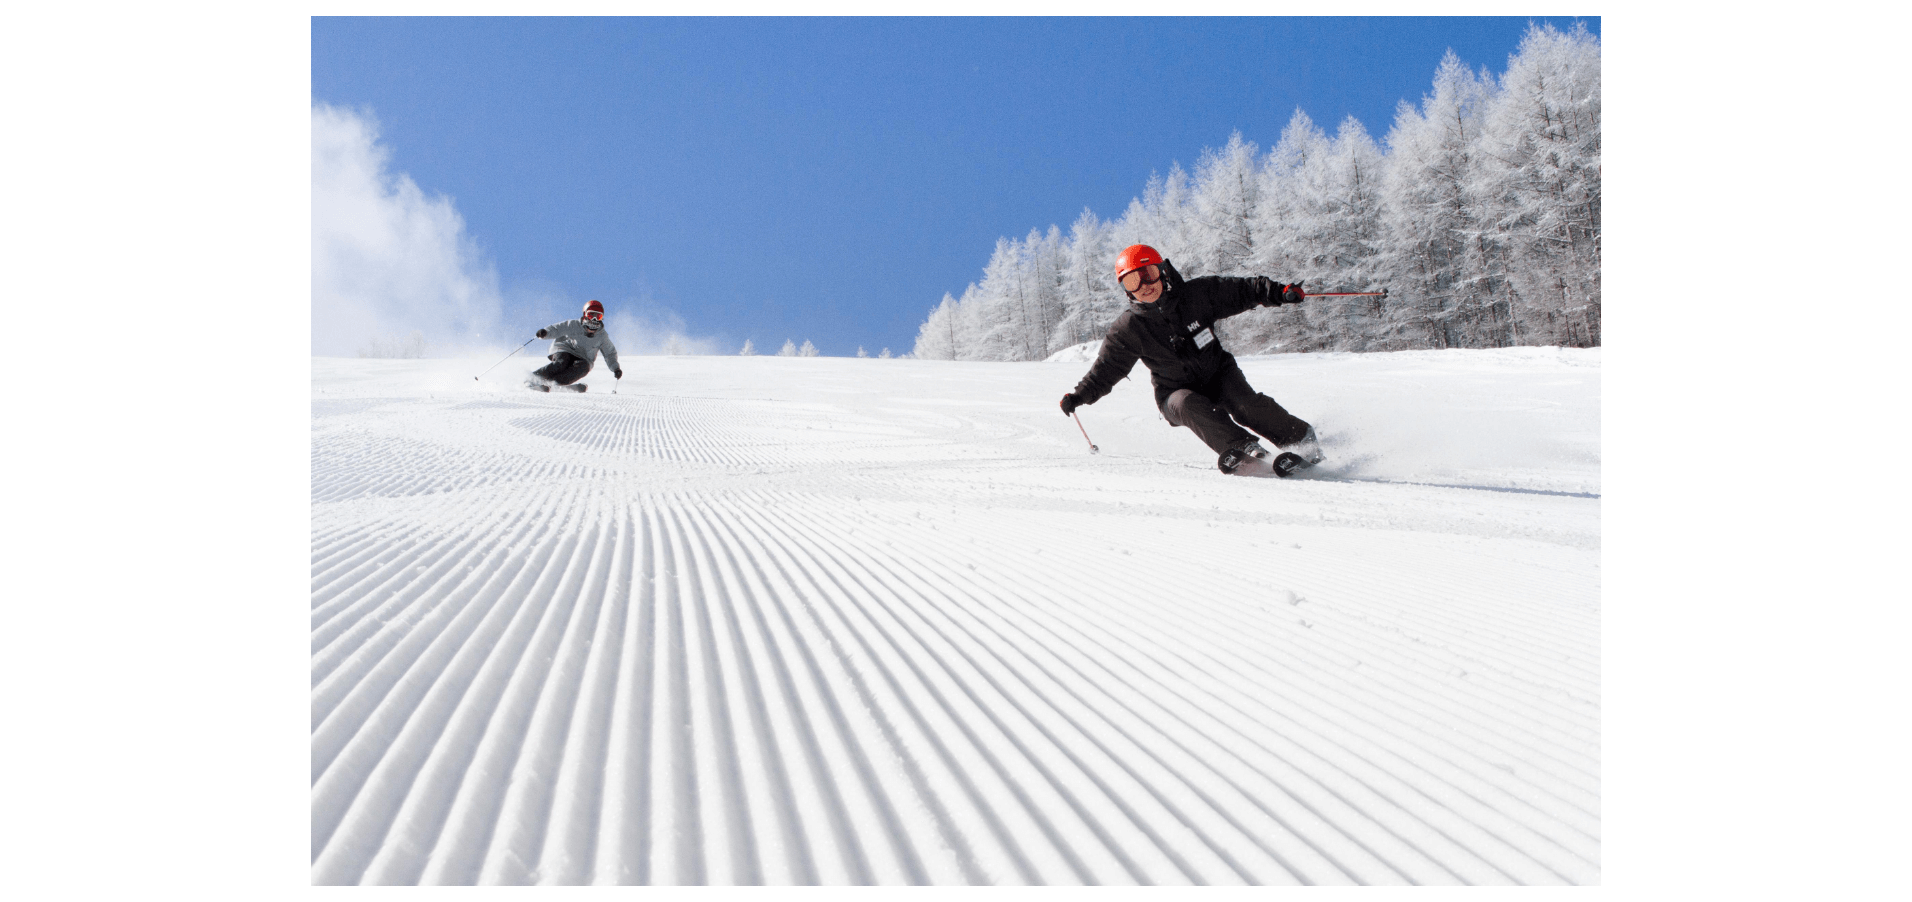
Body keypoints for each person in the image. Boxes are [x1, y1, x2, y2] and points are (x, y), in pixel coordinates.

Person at [1060, 245, 1323, 475]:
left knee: (1244, 405)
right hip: (1173, 393)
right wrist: (1079, 396)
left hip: (1219, 373)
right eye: (1132, 282)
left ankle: (1301, 439)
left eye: (1148, 274)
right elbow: (1107, 369)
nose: (1144, 286)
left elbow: (1241, 291)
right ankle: (1243, 448)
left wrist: (1278, 292)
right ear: (1126, 290)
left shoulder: (1196, 296)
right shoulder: (1129, 328)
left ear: (1162, 271)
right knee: (1187, 404)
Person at [529, 300, 623, 392]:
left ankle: (554, 383)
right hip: (565, 348)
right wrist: (546, 332)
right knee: (562, 362)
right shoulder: (574, 325)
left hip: (584, 357)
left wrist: (616, 368)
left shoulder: (602, 336)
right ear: (585, 314)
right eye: (591, 315)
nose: (594, 319)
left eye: (598, 316)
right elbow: (558, 329)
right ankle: (533, 378)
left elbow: (609, 353)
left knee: (583, 368)